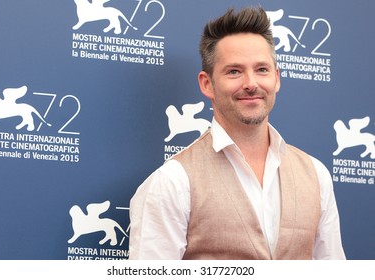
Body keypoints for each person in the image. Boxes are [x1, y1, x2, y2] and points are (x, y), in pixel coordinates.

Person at [128, 6, 346, 260]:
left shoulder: (316, 175)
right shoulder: (173, 182)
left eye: (261, 69)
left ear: (276, 78)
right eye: (234, 71)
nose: (251, 83)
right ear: (207, 84)